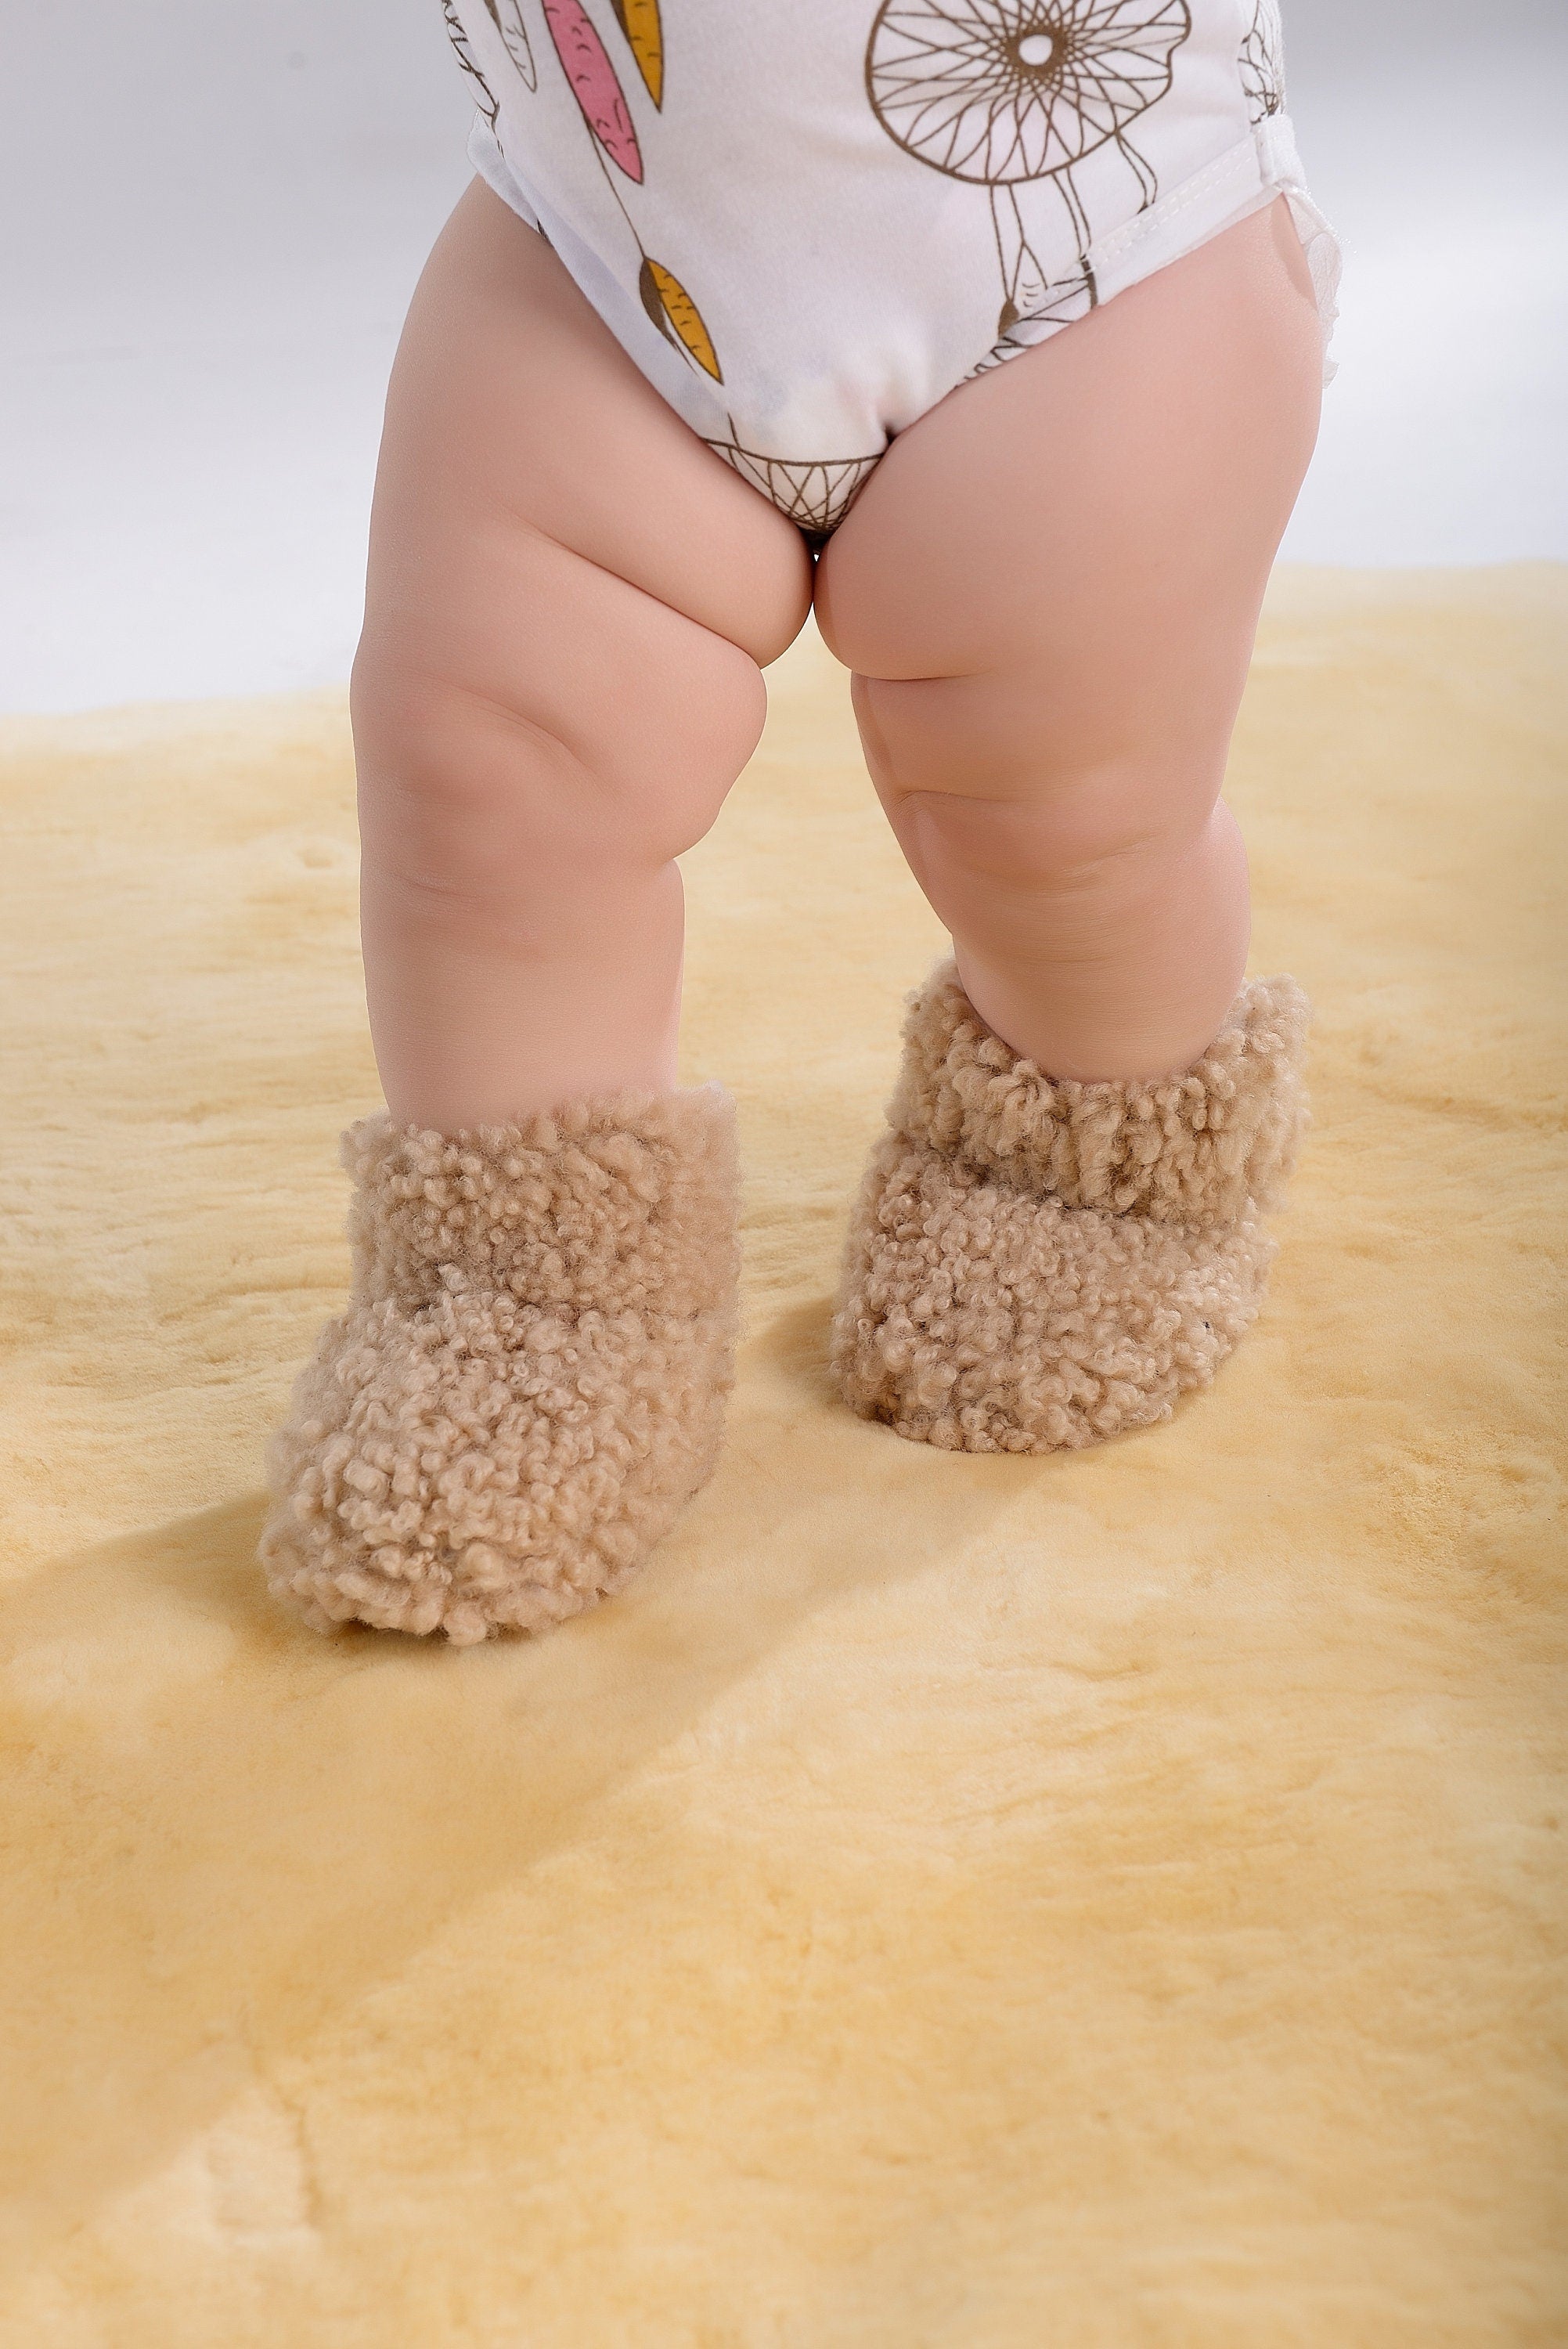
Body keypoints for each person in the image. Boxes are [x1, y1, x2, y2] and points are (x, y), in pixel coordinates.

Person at [260, 0, 1341, 1644]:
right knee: (482, 765)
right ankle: (530, 1291)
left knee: (1062, 813)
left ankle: (1092, 1156)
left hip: (1104, 240)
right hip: (600, 238)